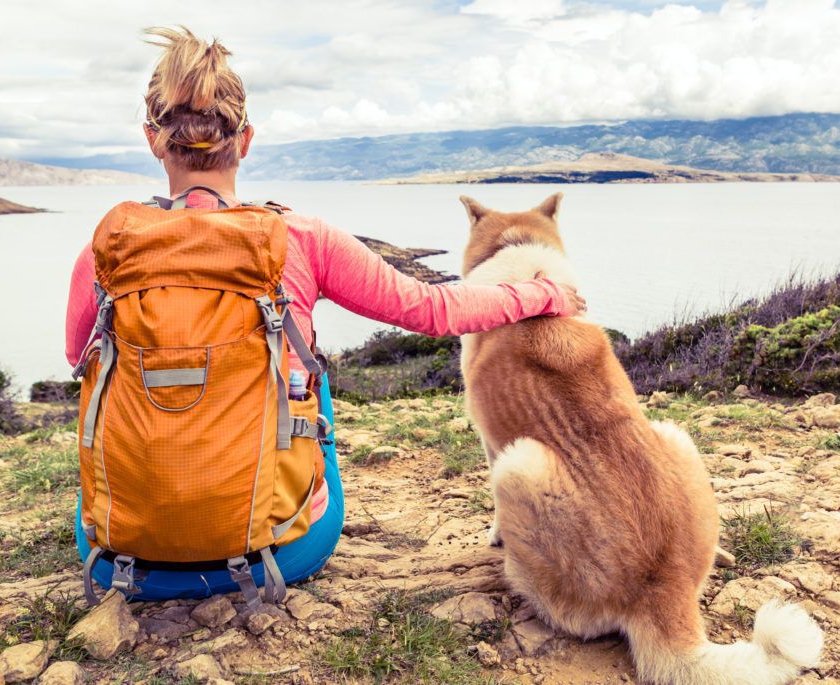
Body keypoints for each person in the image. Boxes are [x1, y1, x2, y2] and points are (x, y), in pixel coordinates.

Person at [63, 26, 585, 601]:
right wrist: (541, 294)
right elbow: (433, 310)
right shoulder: (301, 238)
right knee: (305, 371)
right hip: (278, 553)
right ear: (247, 139)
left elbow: (76, 358)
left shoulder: (108, 247)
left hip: (119, 557)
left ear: (153, 140)